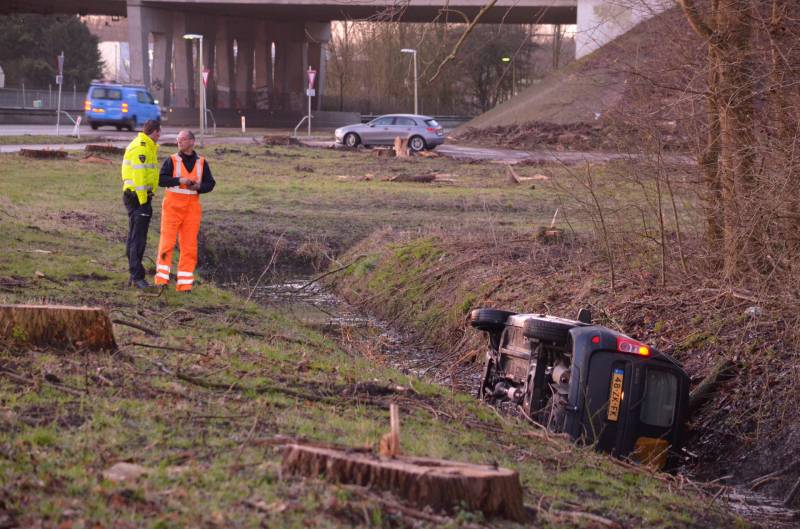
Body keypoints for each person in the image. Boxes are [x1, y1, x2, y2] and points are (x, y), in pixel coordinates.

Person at [154, 130, 216, 292]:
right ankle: (161, 280)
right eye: (177, 139)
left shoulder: (202, 162)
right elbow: (161, 180)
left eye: (182, 139)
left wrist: (199, 187)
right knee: (167, 243)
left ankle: (185, 284)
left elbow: (210, 183)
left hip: (192, 209)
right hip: (172, 207)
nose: (179, 142)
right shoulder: (172, 160)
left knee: (189, 246)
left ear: (191, 141)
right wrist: (179, 180)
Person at [121, 119, 161, 289]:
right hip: (138, 197)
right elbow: (139, 177)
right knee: (138, 238)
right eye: (160, 133)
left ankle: (134, 274)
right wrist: (144, 201)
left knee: (134, 236)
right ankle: (137, 276)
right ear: (156, 132)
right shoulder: (141, 148)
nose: (160, 136)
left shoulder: (145, 146)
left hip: (137, 196)